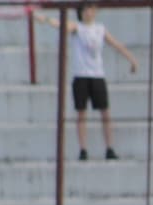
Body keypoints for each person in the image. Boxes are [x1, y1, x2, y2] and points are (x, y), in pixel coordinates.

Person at [34, 3, 138, 161]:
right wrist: (47, 19)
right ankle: (83, 149)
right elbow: (62, 25)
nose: (89, 12)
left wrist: (131, 59)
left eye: (91, 9)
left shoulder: (100, 29)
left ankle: (109, 148)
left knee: (105, 113)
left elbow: (115, 44)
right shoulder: (78, 28)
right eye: (85, 9)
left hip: (97, 76)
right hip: (81, 76)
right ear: (81, 12)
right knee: (81, 113)